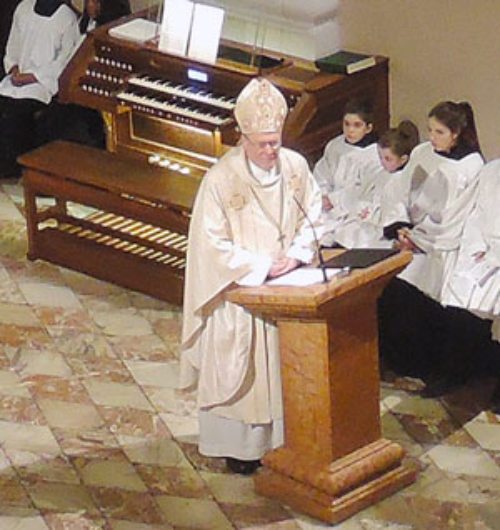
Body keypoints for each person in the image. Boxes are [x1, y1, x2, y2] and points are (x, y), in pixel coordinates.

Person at [179, 78, 322, 474]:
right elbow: (211, 243)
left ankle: (283, 444)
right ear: (242, 137)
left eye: (275, 141)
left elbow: (314, 213)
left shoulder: (295, 166)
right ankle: (240, 451)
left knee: (281, 376)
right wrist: (259, 267)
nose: (270, 151)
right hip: (241, 296)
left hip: (287, 289)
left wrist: (294, 256)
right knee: (244, 377)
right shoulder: (221, 180)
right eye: (262, 144)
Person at [378, 101, 484, 382]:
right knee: (380, 284)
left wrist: (418, 238)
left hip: (440, 246)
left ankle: (420, 367)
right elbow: (399, 190)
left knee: (406, 293)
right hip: (410, 235)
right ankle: (394, 362)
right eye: (430, 130)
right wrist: (400, 227)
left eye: (439, 132)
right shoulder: (424, 152)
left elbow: (454, 218)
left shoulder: (471, 166)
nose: (432, 137)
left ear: (457, 133)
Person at [427, 159, 500, 406]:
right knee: (461, 303)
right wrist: (480, 248)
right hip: (482, 253)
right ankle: (454, 372)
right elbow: (470, 213)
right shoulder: (491, 171)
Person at [0, 0, 78, 177]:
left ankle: (11, 167)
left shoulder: (67, 18)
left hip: (40, 86)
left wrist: (32, 77)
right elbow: (12, 46)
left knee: (15, 114)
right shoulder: (24, 7)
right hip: (14, 80)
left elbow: (64, 62)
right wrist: (14, 69)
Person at [327, 120, 420, 248]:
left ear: (403, 159)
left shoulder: (402, 180)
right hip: (371, 219)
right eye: (380, 157)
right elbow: (364, 194)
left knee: (361, 237)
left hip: (385, 229)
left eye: (387, 159)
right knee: (345, 230)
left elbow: (397, 212)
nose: (382, 162)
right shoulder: (382, 173)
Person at [313, 98, 378, 213]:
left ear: (368, 128)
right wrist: (322, 195)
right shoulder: (335, 145)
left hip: (355, 211)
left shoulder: (374, 154)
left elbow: (364, 190)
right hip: (326, 206)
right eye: (346, 124)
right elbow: (321, 174)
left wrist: (334, 200)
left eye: (357, 125)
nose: (350, 130)